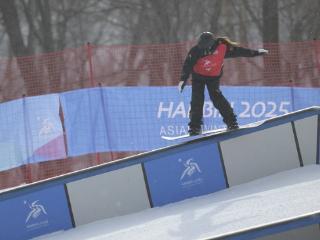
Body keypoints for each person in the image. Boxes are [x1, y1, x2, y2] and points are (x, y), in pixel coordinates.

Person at [179, 32, 268, 136]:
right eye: (202, 46)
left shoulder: (222, 48)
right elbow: (187, 65)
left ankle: (231, 122)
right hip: (198, 78)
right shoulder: (195, 50)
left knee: (217, 98)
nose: (204, 49)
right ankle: (195, 127)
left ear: (212, 44)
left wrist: (257, 52)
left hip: (213, 78)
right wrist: (183, 80)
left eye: (206, 47)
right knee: (196, 101)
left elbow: (240, 51)